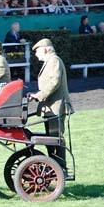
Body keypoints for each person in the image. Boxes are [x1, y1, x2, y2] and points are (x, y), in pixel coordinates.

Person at [29, 38, 73, 169]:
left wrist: (39, 95)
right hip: (52, 107)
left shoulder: (54, 61)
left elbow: (54, 83)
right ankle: (55, 167)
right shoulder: (50, 61)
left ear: (46, 49)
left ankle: (60, 168)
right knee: (51, 138)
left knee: (56, 138)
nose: (36, 54)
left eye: (37, 51)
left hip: (56, 107)